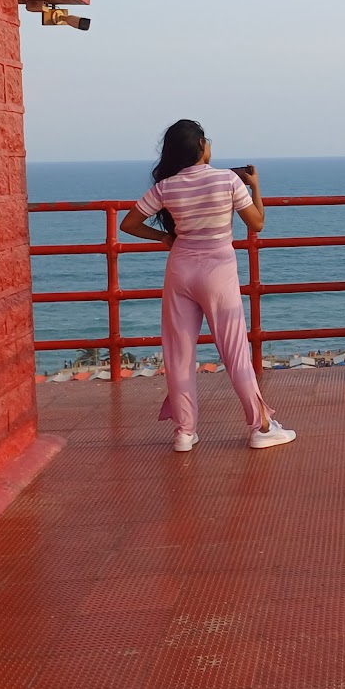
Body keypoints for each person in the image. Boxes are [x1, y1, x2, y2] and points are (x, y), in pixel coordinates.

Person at [119, 120, 296, 452]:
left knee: (179, 353)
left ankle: (184, 432)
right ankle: (261, 426)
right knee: (235, 353)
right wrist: (255, 186)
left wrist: (163, 237)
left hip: (180, 270)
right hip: (218, 273)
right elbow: (256, 223)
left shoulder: (166, 187)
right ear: (201, 146)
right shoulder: (228, 180)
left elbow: (128, 223)